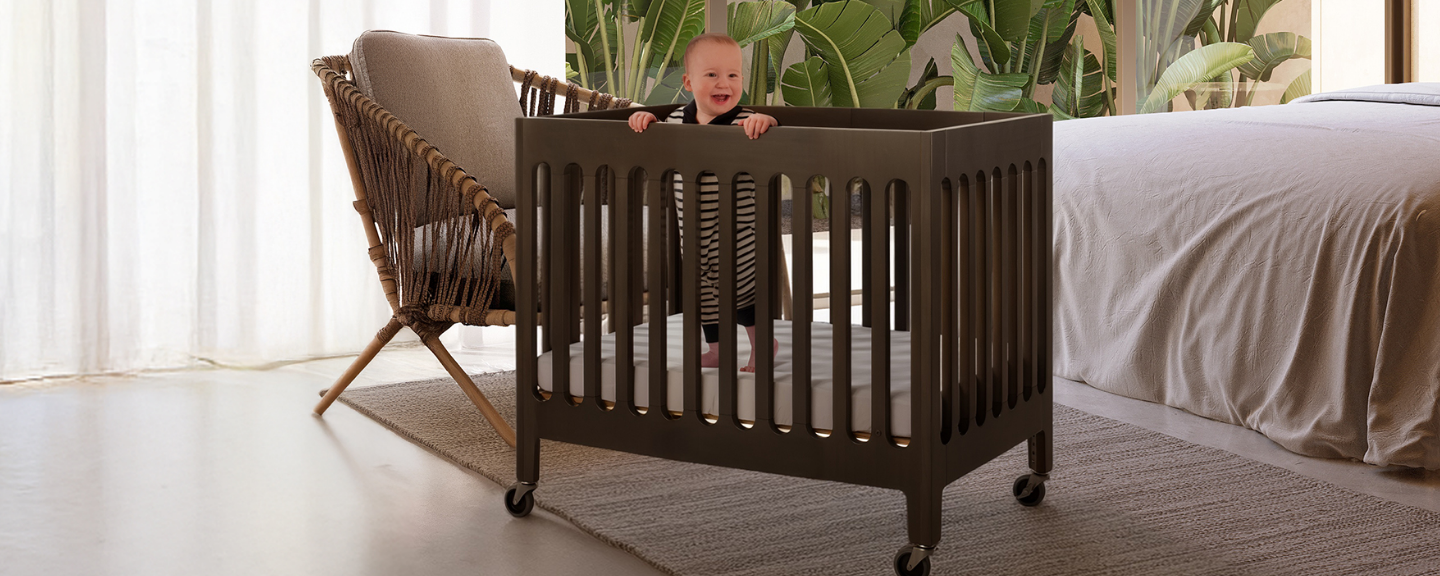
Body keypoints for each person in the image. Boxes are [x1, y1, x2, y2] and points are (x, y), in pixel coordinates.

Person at [627, 33, 779, 372]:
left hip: (736, 230)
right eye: (711, 75)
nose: (723, 83)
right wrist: (646, 121)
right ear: (689, 82)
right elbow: (657, 138)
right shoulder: (679, 120)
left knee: (741, 289)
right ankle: (718, 349)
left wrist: (764, 121)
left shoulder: (745, 123)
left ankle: (763, 344)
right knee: (704, 294)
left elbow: (771, 130)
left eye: (733, 75)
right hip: (692, 231)